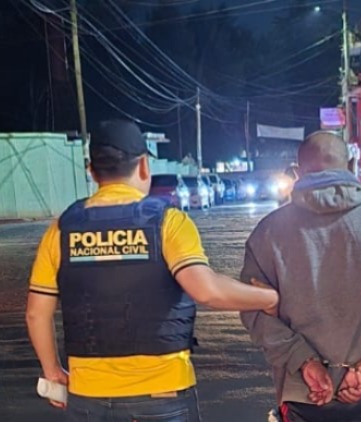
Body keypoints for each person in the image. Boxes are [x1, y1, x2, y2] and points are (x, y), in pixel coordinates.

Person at [26, 119, 279, 421]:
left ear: (91, 171)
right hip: (160, 395)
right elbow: (207, 291)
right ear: (145, 166)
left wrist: (53, 371)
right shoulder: (167, 222)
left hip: (88, 397)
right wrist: (269, 299)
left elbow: (36, 314)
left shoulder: (62, 229)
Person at [241, 131, 361, 422]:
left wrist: (304, 361)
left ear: (297, 171)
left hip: (302, 392)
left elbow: (253, 312)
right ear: (351, 165)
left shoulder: (268, 231)